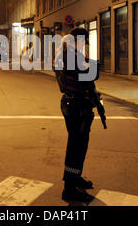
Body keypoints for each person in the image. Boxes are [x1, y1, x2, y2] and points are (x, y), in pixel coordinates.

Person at [54, 28, 103, 202]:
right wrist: (95, 65)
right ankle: (69, 187)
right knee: (76, 146)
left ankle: (75, 178)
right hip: (76, 106)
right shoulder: (71, 57)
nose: (83, 45)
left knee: (78, 145)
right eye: (81, 41)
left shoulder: (69, 56)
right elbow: (90, 74)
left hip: (74, 105)